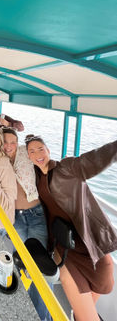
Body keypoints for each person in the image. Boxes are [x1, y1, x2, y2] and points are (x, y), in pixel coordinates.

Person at [26, 134, 117, 321]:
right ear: (28, 157)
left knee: (104, 282)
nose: (37, 154)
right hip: (64, 245)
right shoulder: (34, 176)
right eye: (32, 151)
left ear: (48, 151)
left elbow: (98, 157)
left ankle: (79, 314)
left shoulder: (67, 168)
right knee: (83, 305)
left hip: (89, 239)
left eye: (40, 149)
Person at [2, 128, 51, 321]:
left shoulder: (25, 151)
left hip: (36, 213)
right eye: (5, 142)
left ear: (18, 142)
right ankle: (26, 312)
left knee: (41, 266)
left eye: (13, 141)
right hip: (15, 217)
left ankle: (43, 317)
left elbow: (42, 156)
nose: (9, 146)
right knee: (23, 264)